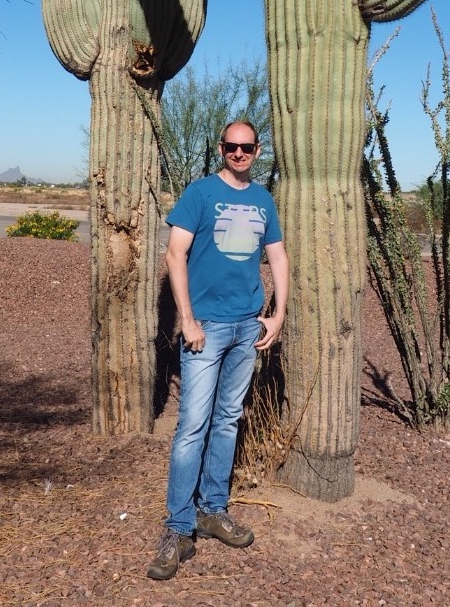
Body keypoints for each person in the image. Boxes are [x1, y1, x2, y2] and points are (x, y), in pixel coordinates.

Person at [148, 119, 289, 582]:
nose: (239, 153)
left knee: (227, 419)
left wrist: (278, 314)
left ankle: (212, 510)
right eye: (232, 146)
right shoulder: (201, 193)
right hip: (205, 328)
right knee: (192, 425)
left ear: (258, 149)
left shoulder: (263, 198)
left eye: (247, 147)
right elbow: (174, 254)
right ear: (221, 148)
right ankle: (178, 527)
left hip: (247, 326)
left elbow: (278, 257)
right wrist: (186, 319)